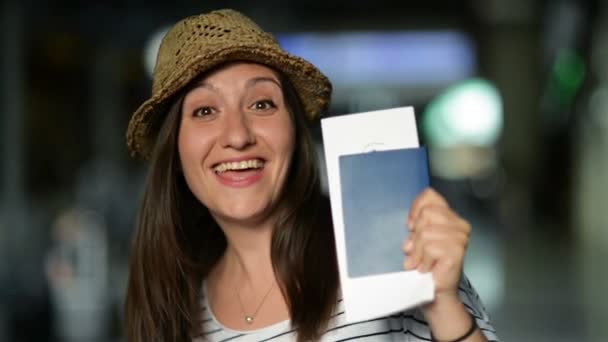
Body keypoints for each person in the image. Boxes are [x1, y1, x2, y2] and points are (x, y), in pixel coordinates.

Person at [125, 9, 499, 342]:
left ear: (295, 132)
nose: (238, 136)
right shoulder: (175, 310)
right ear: (174, 151)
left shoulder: (392, 251)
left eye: (261, 104)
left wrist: (445, 306)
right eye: (205, 111)